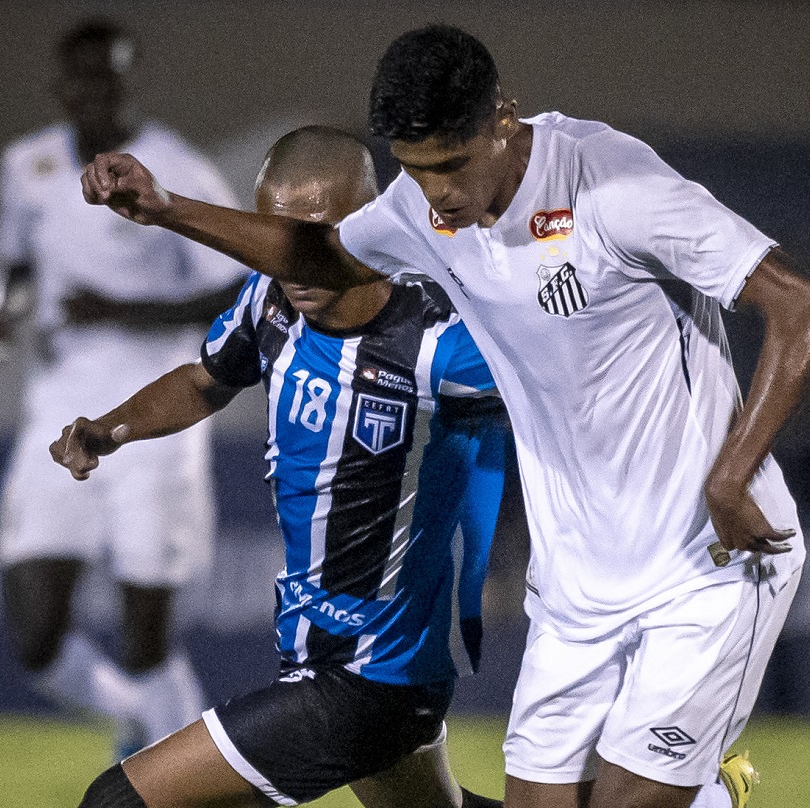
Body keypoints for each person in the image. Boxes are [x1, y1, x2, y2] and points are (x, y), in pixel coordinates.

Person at [79, 23, 810, 808]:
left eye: (452, 165)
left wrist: (732, 472)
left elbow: (809, 309)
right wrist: (166, 209)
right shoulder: (419, 209)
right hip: (577, 585)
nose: (439, 193)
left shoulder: (615, 187)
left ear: (503, 119)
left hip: (702, 562)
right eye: (417, 171)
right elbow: (314, 256)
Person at [58, 126, 508, 807]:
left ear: (368, 223)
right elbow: (205, 379)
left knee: (116, 802)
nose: (289, 258)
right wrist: (111, 427)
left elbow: (575, 392)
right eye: (272, 232)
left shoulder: (443, 343)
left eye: (311, 236)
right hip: (326, 656)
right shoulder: (269, 299)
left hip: (371, 679)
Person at [0, 17, 246, 758]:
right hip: (57, 409)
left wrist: (122, 309)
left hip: (156, 414)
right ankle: (140, 720)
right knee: (32, 631)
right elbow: (17, 269)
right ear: (61, 86)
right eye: (83, 77)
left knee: (145, 635)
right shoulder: (25, 164)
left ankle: (202, 783)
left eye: (111, 77)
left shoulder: (175, 168)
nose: (96, 91)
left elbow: (238, 291)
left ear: (130, 83)